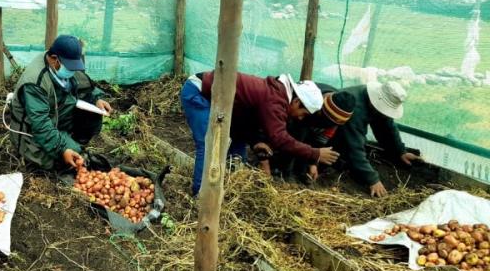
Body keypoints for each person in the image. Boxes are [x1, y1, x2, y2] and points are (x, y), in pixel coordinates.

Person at [180, 71, 339, 196]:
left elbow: (247, 121)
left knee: (238, 150)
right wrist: (315, 153)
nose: (299, 117)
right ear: (297, 102)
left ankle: (227, 188)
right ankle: (200, 196)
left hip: (230, 111)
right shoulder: (276, 100)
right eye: (303, 113)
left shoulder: (277, 96)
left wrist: (256, 141)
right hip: (199, 92)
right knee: (210, 144)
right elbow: (280, 139)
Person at [7, 35, 112, 170]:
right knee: (61, 163)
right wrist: (63, 149)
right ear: (54, 59)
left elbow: (85, 85)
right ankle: (67, 147)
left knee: (91, 115)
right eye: (70, 68)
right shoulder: (35, 83)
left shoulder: (66, 65)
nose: (73, 71)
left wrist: (96, 99)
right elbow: (41, 126)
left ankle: (73, 144)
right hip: (33, 131)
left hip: (56, 117)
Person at [332, 81, 420, 197]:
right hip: (328, 135)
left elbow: (387, 128)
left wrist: (400, 151)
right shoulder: (355, 107)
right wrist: (372, 178)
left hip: (348, 133)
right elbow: (354, 146)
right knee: (343, 154)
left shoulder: (373, 102)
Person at [275, 89, 356, 181]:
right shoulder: (313, 102)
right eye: (326, 118)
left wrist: (313, 164)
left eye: (331, 122)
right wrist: (287, 172)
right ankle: (284, 172)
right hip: (296, 119)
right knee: (297, 138)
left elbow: (319, 142)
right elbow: (295, 141)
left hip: (312, 122)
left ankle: (302, 172)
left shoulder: (335, 121)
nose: (328, 123)